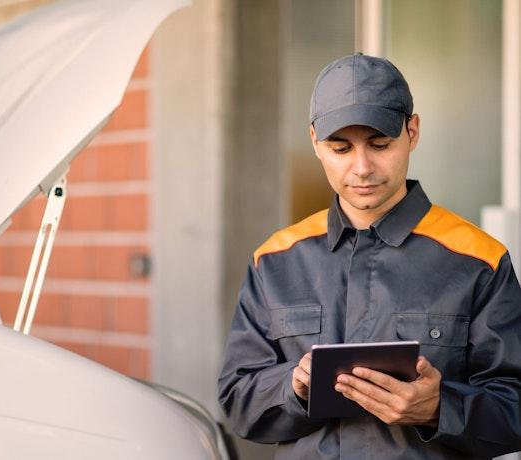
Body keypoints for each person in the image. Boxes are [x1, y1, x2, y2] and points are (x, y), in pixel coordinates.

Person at [217, 53, 521, 459]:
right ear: (315, 143)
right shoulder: (275, 260)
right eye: (340, 148)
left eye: (380, 144)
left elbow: (515, 406)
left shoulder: (478, 260)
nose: (362, 167)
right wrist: (293, 385)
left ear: (412, 132)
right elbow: (238, 401)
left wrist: (438, 409)